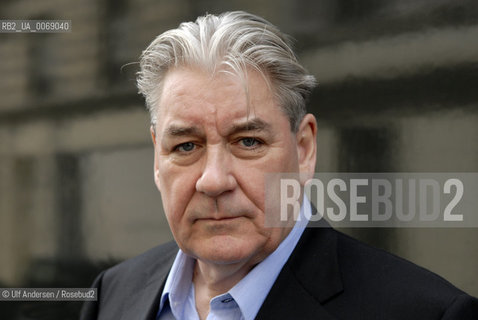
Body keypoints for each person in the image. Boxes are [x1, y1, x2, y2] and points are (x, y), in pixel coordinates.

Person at [80, 11, 478, 320]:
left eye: (248, 142)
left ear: (303, 149)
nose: (214, 180)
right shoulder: (112, 295)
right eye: (186, 146)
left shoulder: (426, 313)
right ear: (156, 156)